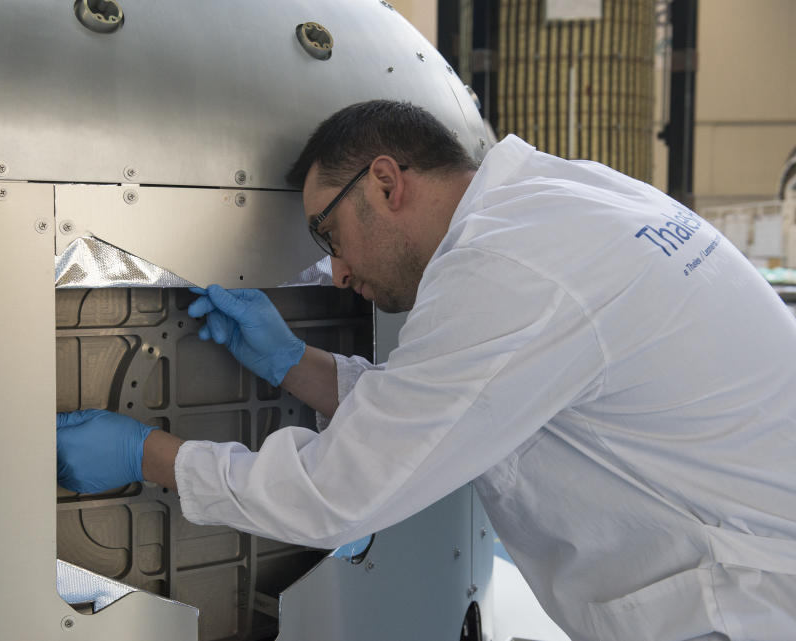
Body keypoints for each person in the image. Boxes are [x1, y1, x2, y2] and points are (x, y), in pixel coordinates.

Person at [57, 100, 796, 640]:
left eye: (330, 234)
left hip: (740, 605)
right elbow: (443, 406)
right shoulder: (562, 199)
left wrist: (143, 453)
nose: (338, 271)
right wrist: (290, 362)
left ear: (386, 182)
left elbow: (337, 494)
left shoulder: (507, 271)